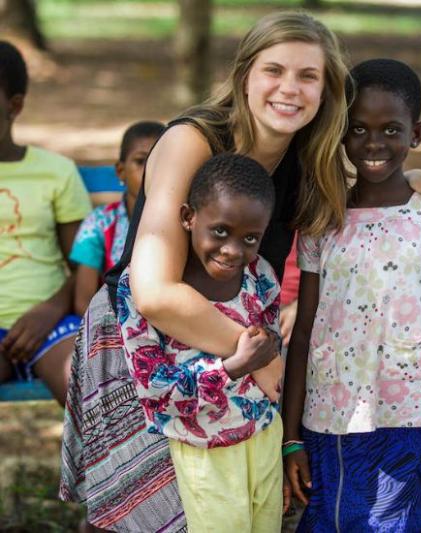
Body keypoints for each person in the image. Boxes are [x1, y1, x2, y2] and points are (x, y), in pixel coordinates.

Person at [60, 12, 421, 532]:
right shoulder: (193, 141)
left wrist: (414, 176)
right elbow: (155, 294)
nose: (289, 88)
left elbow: (369, 180)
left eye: (308, 76)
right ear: (245, 77)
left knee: (239, 513)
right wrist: (261, 363)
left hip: (234, 355)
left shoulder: (307, 159)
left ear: (326, 93)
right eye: (273, 71)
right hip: (146, 348)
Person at [282, 58, 421, 532]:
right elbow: (305, 328)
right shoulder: (322, 217)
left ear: (417, 133)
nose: (373, 143)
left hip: (409, 417)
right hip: (329, 418)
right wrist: (290, 435)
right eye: (357, 129)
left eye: (391, 129)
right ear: (340, 133)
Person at [118, 153, 285, 531]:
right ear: (188, 217)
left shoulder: (260, 276)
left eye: (250, 238)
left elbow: (272, 351)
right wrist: (230, 368)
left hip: (263, 440)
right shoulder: (144, 286)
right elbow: (154, 392)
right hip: (203, 454)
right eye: (220, 231)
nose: (232, 250)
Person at [0, 40, 91, 405]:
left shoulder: (55, 172)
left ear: (15, 105)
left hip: (50, 323)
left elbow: (83, 264)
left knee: (85, 390)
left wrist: (51, 309)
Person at [70, 121, 164, 315]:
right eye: (141, 161)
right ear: (121, 171)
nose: (151, 170)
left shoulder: (185, 220)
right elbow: (83, 301)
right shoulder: (99, 223)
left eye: (161, 161)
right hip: (111, 325)